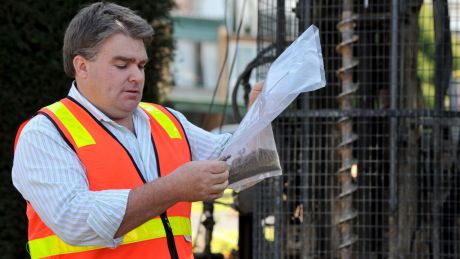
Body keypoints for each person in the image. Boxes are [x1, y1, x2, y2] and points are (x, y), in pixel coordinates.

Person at [12, 2, 262, 259]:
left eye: (141, 66)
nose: (137, 77)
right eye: (122, 65)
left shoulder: (166, 120)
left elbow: (240, 167)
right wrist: (173, 188)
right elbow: (76, 221)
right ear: (82, 66)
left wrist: (261, 115)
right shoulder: (45, 133)